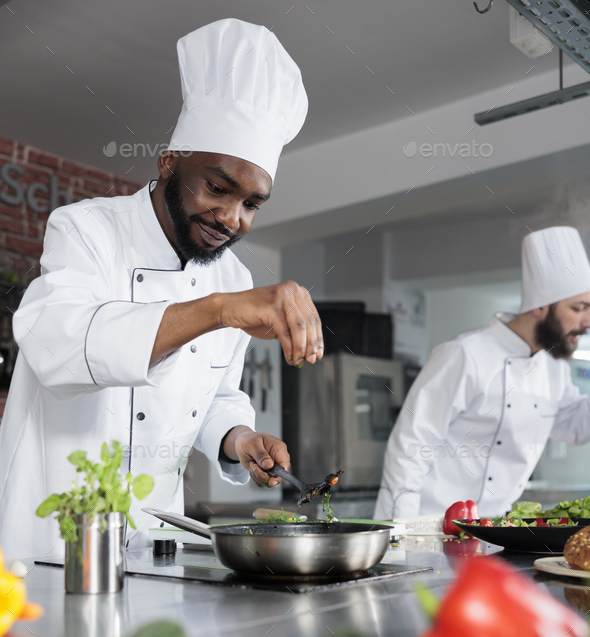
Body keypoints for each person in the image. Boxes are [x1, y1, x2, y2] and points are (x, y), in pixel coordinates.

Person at [0, 19, 323, 560]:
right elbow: (60, 348)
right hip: (49, 539)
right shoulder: (86, 229)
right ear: (169, 162)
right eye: (217, 188)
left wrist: (239, 437)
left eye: (251, 204)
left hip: (154, 540)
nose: (231, 218)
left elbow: (213, 392)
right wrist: (218, 311)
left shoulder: (233, 279)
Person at [374, 226, 590, 519]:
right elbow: (411, 448)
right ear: (540, 306)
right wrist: (400, 539)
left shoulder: (554, 369)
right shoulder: (465, 354)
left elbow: (575, 427)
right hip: (432, 530)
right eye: (579, 308)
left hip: (495, 533)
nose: (587, 321)